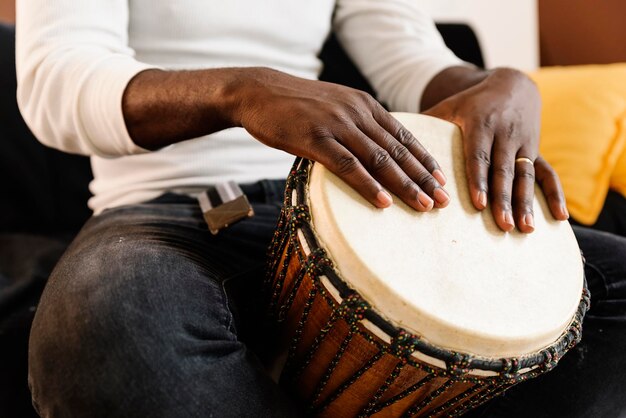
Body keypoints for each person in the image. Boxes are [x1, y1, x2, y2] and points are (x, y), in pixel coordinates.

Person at [15, 1, 626, 417]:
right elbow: (56, 81)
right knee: (106, 320)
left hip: (335, 195)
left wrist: (502, 85)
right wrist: (240, 91)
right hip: (163, 213)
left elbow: (411, 58)